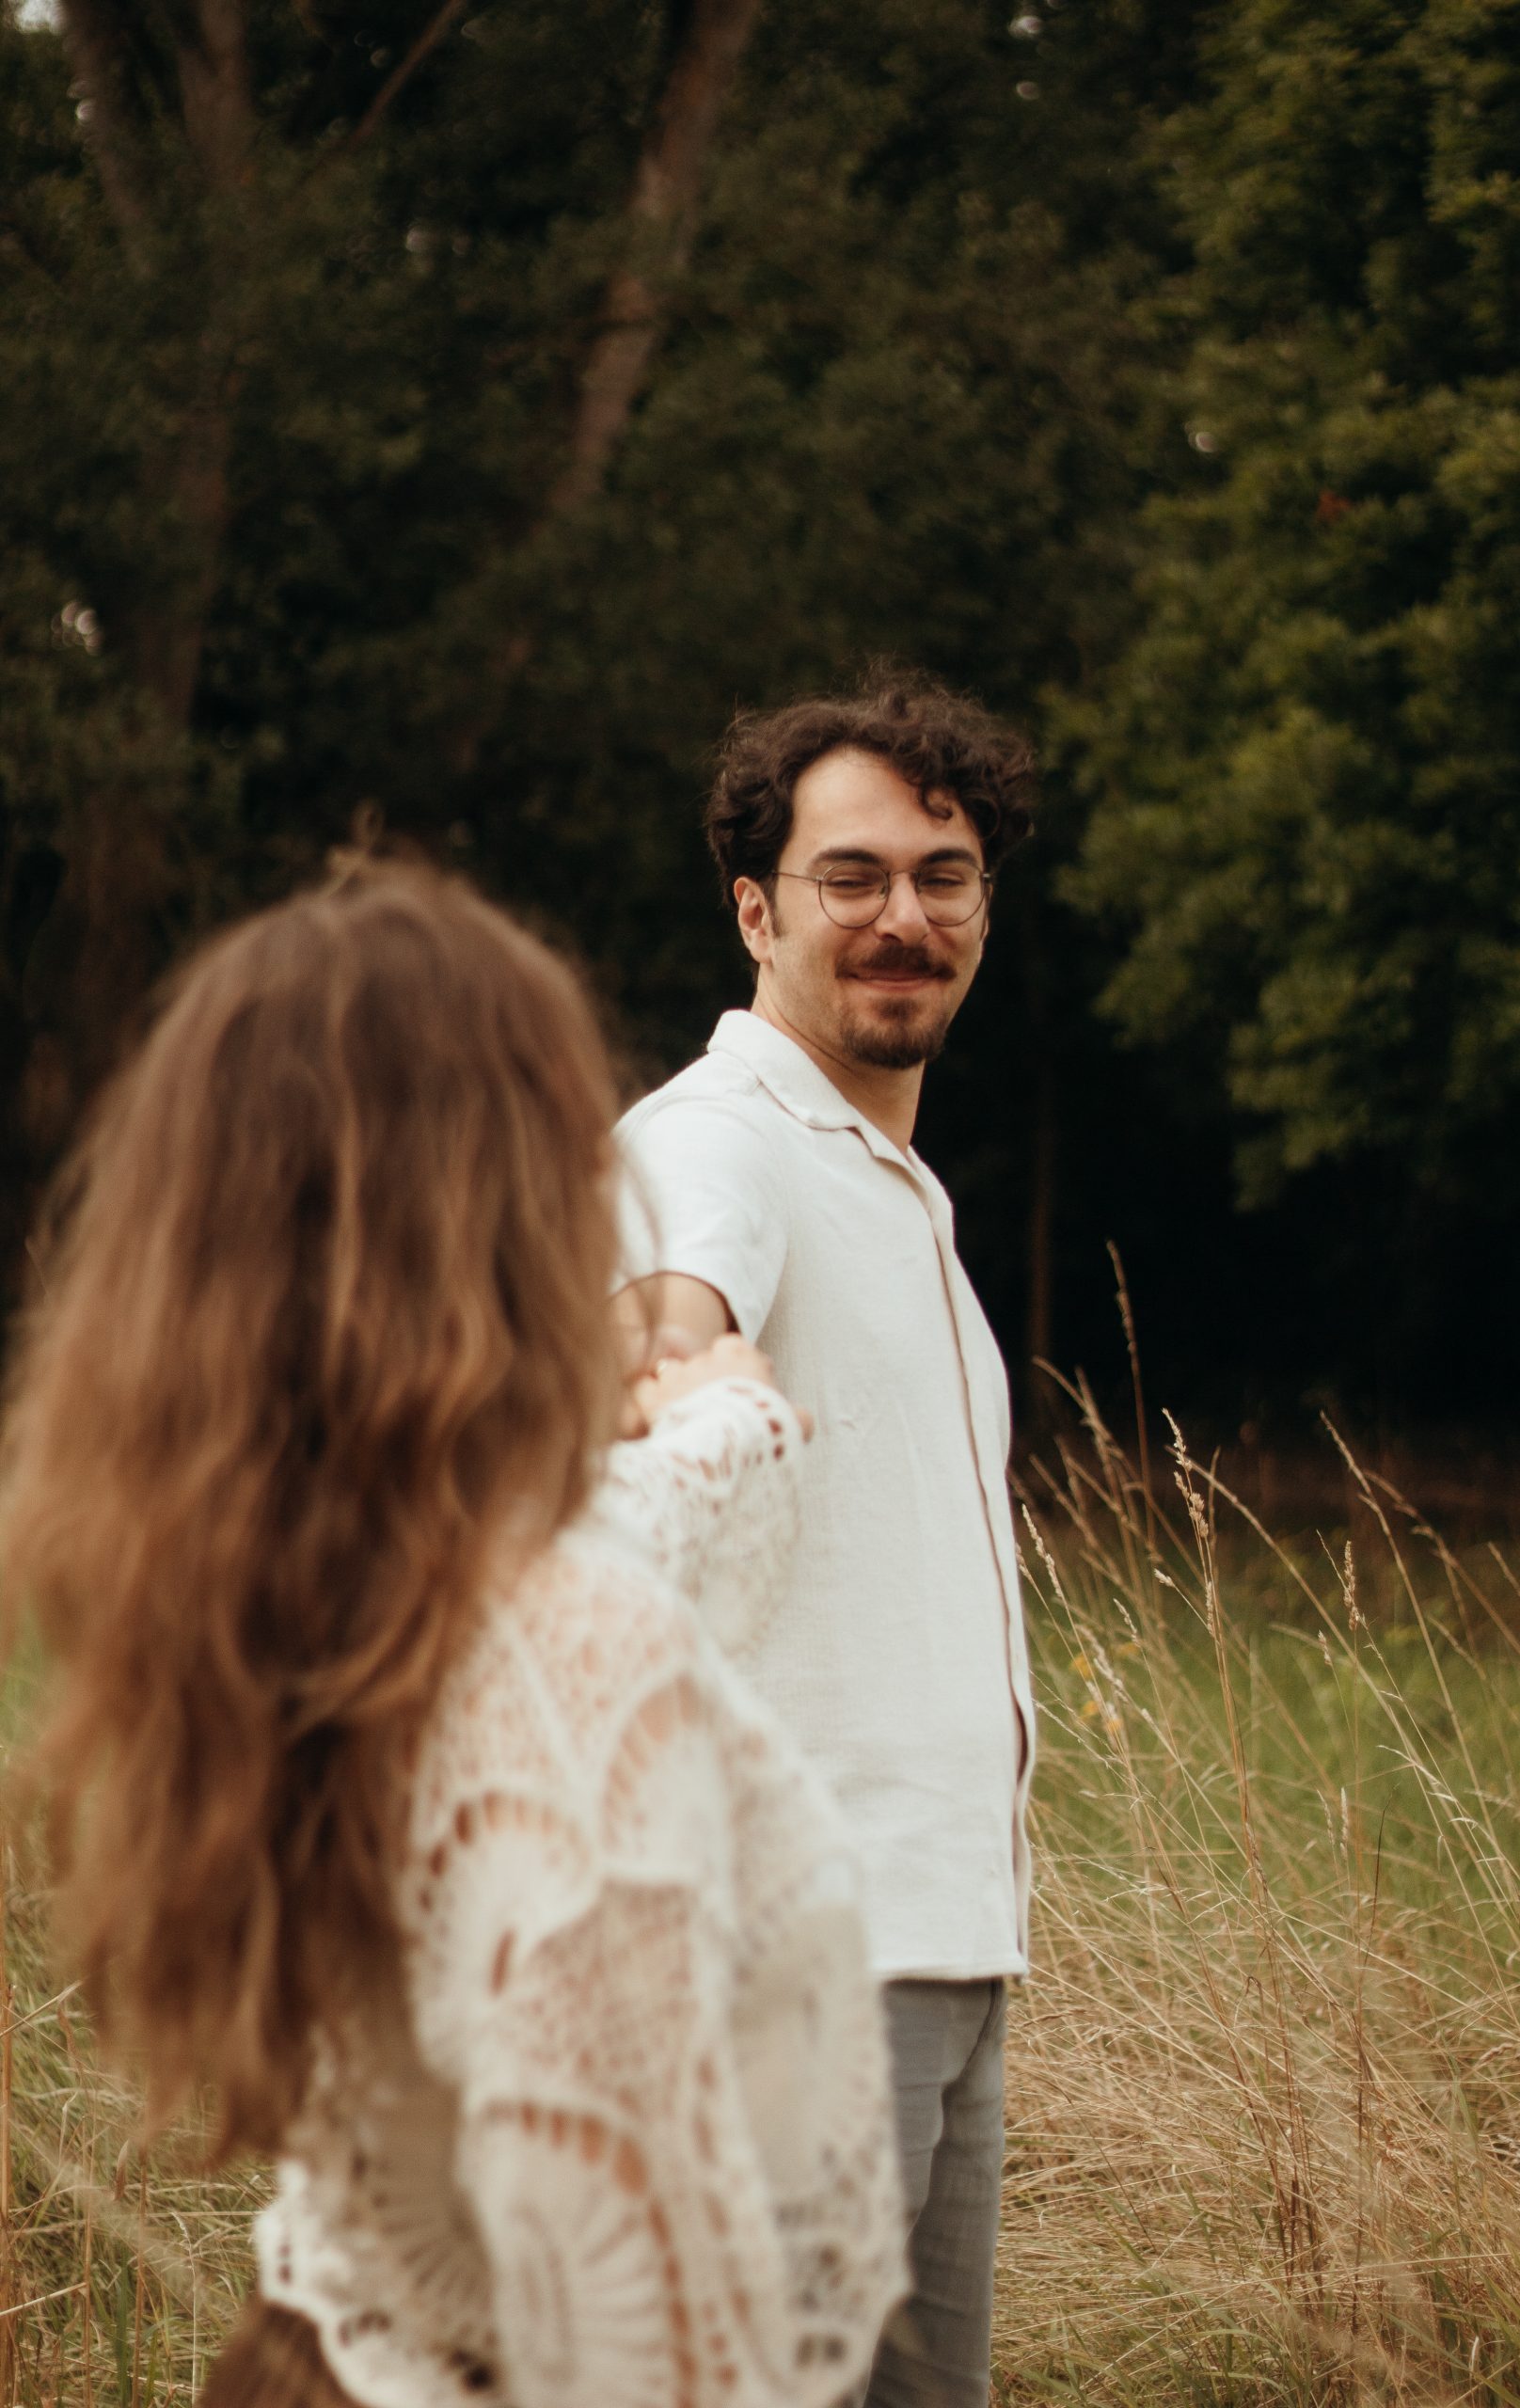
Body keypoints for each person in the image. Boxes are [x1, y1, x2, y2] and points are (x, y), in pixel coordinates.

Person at [1, 862, 906, 2408]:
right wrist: (727, 1419)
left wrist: (729, 1428)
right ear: (506, 1209)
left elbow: (596, 1562)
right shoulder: (563, 1654)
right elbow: (645, 2344)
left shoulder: (304, 1589)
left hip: (302, 2353)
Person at [615, 675, 1038, 2408]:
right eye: (849, 876)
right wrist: (670, 1365)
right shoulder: (720, 1139)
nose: (901, 919)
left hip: (944, 1947)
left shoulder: (894, 1186)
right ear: (756, 911)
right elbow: (664, 1305)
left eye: (944, 877)